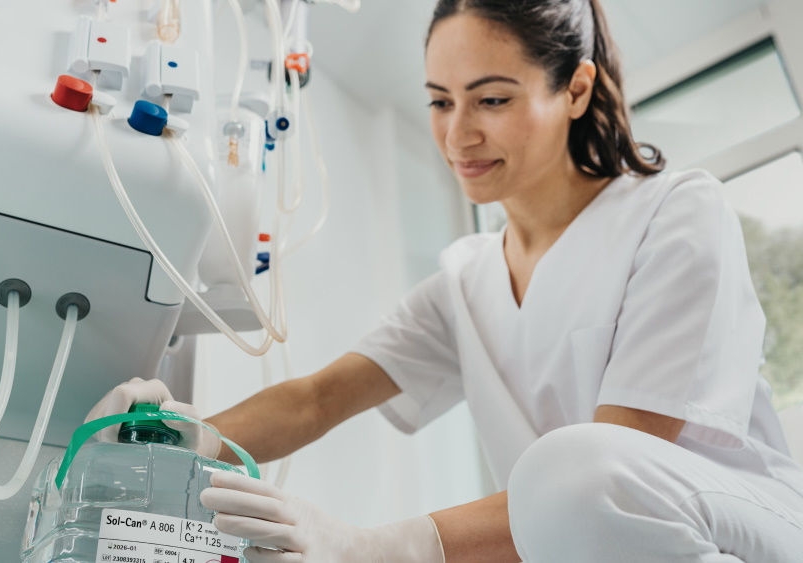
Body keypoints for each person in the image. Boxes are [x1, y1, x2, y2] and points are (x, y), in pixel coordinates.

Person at [86, 0, 803, 560]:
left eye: (492, 99)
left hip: (738, 533)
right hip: (585, 546)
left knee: (575, 468)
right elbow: (317, 398)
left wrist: (373, 547)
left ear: (576, 89)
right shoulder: (467, 279)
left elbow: (612, 469)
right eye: (439, 100)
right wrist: (180, 436)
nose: (458, 134)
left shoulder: (674, 213)